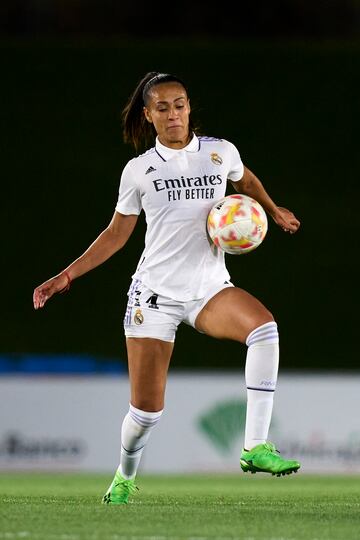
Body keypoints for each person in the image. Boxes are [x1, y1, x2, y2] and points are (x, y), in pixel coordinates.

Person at [33, 71, 301, 505]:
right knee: (146, 412)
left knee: (264, 330)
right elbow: (117, 233)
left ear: (190, 108)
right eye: (162, 107)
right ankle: (124, 475)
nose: (173, 113)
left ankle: (254, 447)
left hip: (209, 289)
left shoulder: (218, 152)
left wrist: (272, 208)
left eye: (180, 105)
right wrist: (67, 274)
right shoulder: (139, 171)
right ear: (148, 115)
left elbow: (244, 179)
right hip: (154, 295)